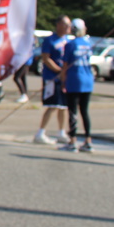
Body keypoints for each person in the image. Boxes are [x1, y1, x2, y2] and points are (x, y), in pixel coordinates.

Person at [34, 15, 71, 145]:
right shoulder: (50, 40)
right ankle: (40, 132)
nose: (68, 27)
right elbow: (46, 58)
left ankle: (61, 132)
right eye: (66, 25)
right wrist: (59, 71)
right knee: (52, 105)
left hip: (64, 78)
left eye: (69, 25)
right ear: (59, 25)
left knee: (63, 106)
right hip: (51, 77)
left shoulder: (67, 40)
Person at [60, 18, 94, 153]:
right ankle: (88, 140)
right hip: (88, 80)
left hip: (74, 80)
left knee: (73, 111)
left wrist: (63, 81)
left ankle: (73, 141)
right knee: (85, 111)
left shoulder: (70, 44)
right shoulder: (88, 43)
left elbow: (65, 65)